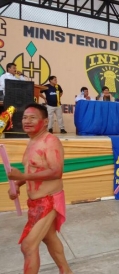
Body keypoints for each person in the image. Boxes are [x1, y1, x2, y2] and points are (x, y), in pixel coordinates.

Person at [7, 103, 72, 274]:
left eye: (32, 117)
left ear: (44, 122)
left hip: (49, 200)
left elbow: (56, 171)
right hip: (35, 202)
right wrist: (18, 185)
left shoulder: (50, 142)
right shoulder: (32, 141)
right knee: (49, 238)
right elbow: (33, 170)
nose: (26, 121)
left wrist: (22, 177)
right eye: (24, 117)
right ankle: (66, 270)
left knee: (28, 246)